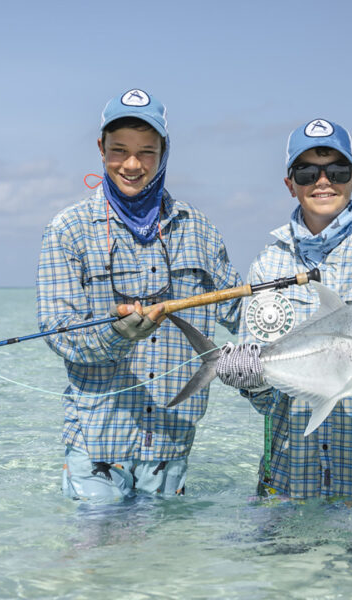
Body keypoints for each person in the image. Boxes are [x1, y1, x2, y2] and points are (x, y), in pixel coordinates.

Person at [37, 89, 241, 504]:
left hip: (171, 442)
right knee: (96, 566)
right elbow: (59, 334)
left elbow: (241, 313)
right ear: (100, 149)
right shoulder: (67, 230)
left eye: (147, 152)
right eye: (119, 151)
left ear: (165, 152)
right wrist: (116, 334)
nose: (132, 165)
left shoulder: (199, 229)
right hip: (96, 446)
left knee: (160, 567)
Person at [222, 118, 352, 501]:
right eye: (307, 172)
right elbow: (267, 402)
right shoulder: (267, 266)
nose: (323, 181)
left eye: (337, 171)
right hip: (287, 483)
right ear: (290, 184)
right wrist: (250, 379)